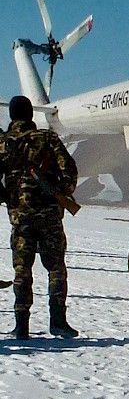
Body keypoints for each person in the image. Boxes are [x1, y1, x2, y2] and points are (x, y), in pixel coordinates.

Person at [0, 95, 79, 339]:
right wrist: (59, 194)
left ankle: (21, 325)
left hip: (20, 218)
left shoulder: (3, 142)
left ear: (12, 115)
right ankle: (58, 322)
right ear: (30, 115)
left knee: (22, 271)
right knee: (56, 269)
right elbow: (70, 172)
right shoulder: (47, 138)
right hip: (49, 218)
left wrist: (8, 196)